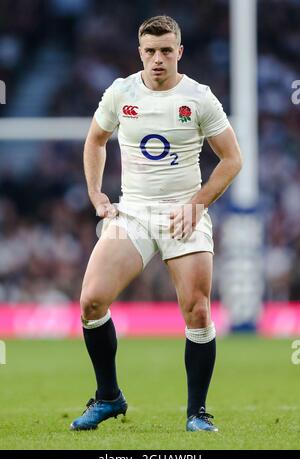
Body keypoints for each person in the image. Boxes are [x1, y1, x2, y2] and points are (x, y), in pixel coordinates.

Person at [70, 15, 242, 432]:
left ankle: (197, 413)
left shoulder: (199, 99)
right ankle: (109, 396)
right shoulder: (120, 92)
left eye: (166, 50)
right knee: (91, 301)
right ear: (140, 52)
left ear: (179, 51)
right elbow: (96, 140)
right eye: (150, 51)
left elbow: (232, 159)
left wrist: (197, 205)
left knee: (197, 310)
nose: (158, 59)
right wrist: (95, 193)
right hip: (134, 212)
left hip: (184, 212)